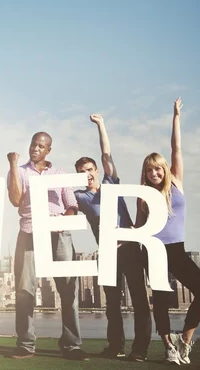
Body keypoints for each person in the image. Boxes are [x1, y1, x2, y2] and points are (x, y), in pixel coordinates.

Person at [74, 114, 151, 362]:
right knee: (111, 305)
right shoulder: (81, 197)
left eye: (89, 170)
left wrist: (101, 125)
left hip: (129, 248)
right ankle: (115, 346)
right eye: (81, 172)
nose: (86, 175)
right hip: (106, 252)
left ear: (96, 170)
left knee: (139, 300)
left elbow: (107, 154)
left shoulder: (111, 183)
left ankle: (140, 349)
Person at [7, 132, 88, 361]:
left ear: (48, 150)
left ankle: (72, 345)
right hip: (29, 233)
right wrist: (13, 164)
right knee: (24, 290)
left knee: (68, 291)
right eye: (34, 144)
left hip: (58, 235)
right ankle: (25, 344)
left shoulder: (59, 174)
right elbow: (15, 200)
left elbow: (72, 204)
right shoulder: (19, 171)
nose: (36, 148)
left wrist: (64, 219)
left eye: (41, 146)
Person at [137, 98, 200, 366]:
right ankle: (168, 347)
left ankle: (185, 340)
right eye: (149, 169)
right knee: (161, 301)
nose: (154, 172)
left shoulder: (176, 181)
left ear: (164, 169)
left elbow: (177, 146)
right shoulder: (143, 196)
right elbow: (139, 226)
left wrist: (175, 116)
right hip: (153, 251)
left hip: (176, 248)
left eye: (157, 168)